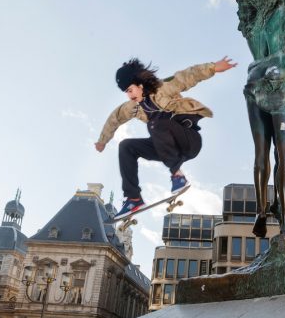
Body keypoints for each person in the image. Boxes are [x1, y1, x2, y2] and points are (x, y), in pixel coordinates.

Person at [95, 56, 237, 219]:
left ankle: (178, 175)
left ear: (140, 85)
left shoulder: (163, 88)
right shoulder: (132, 107)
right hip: (166, 148)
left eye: (130, 90)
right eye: (126, 92)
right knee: (126, 146)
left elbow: (188, 76)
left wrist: (213, 67)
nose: (129, 95)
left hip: (188, 140)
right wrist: (102, 141)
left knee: (155, 124)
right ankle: (133, 198)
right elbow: (115, 118)